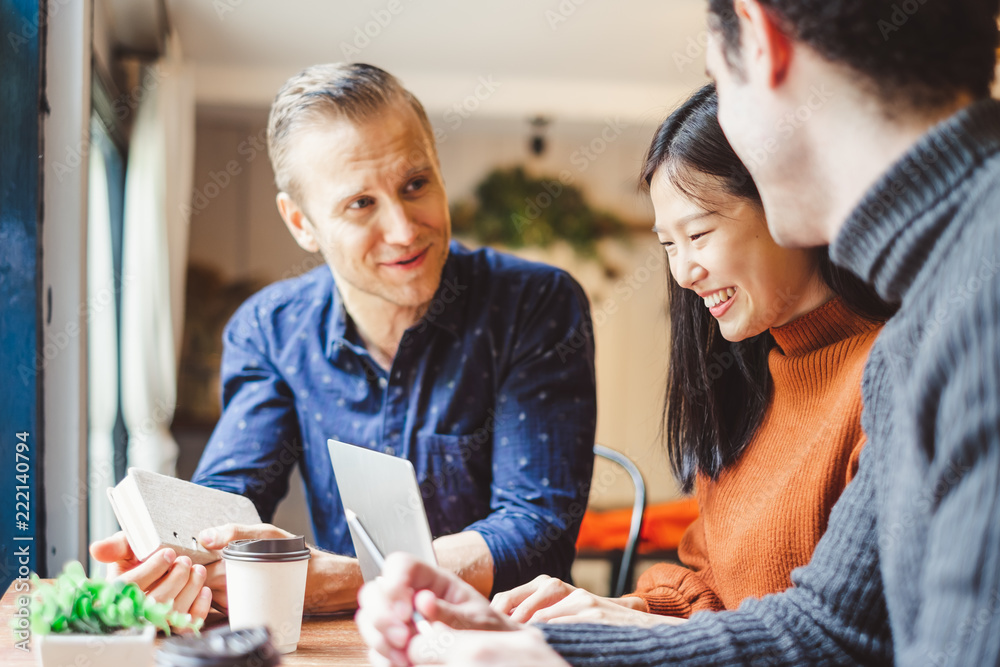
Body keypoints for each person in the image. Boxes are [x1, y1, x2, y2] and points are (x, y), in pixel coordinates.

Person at [356, 0, 1000, 664]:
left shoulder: (968, 296)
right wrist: (536, 643)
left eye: (718, 87)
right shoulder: (923, 320)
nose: (685, 269)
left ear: (758, 39)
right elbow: (829, 628)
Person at [91, 63, 597, 620]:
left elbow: (537, 531)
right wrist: (179, 557)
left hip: (505, 640)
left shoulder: (536, 303)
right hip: (348, 646)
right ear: (301, 223)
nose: (404, 230)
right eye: (361, 204)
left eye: (415, 184)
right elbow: (223, 508)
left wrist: (346, 578)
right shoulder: (270, 329)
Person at [486, 84, 894, 629]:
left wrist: (635, 630)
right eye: (668, 244)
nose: (682, 273)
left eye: (699, 233)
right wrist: (614, 609)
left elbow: (840, 636)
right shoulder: (746, 378)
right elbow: (710, 585)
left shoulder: (891, 376)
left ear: (792, 207)